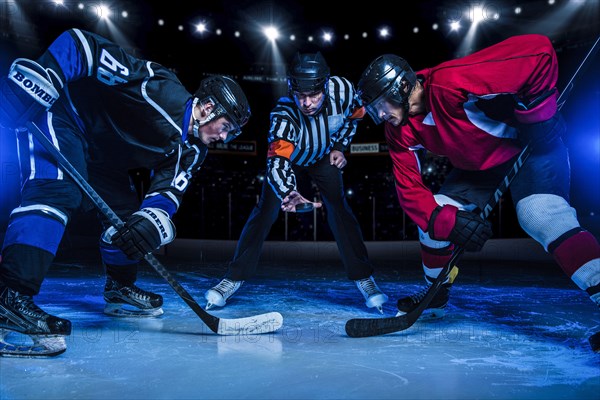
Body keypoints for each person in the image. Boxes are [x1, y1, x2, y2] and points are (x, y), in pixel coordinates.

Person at [0, 28, 251, 357]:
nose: (225, 137)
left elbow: (167, 193)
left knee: (127, 219)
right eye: (226, 127)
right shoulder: (160, 90)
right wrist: (47, 74)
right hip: (62, 115)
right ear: (207, 107)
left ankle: (119, 289)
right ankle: (10, 298)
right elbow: (82, 45)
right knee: (58, 190)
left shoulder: (193, 151)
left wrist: (152, 219)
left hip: (99, 156)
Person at [355, 34, 600, 322]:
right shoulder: (399, 130)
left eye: (382, 103)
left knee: (540, 215)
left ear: (403, 86)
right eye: (374, 110)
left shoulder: (450, 82)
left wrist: (537, 114)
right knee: (435, 215)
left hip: (532, 147)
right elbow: (410, 190)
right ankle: (436, 294)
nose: (380, 114)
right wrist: (446, 221)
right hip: (478, 168)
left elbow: (539, 51)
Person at [204, 52, 389, 313]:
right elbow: (278, 160)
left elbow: (355, 116)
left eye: (314, 95)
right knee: (264, 213)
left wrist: (339, 146)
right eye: (301, 95)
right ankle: (232, 279)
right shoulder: (283, 113)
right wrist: (289, 191)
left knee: (339, 209)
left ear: (325, 85)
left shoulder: (344, 90)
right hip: (292, 160)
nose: (307, 103)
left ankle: (364, 279)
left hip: (324, 157)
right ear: (292, 88)